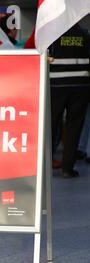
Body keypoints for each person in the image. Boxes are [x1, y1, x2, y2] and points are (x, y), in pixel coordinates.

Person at [49, 23, 90, 178]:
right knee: (74, 127)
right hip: (80, 86)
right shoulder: (85, 34)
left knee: (51, 126)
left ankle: (46, 163)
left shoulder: (53, 34)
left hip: (56, 86)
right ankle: (67, 167)